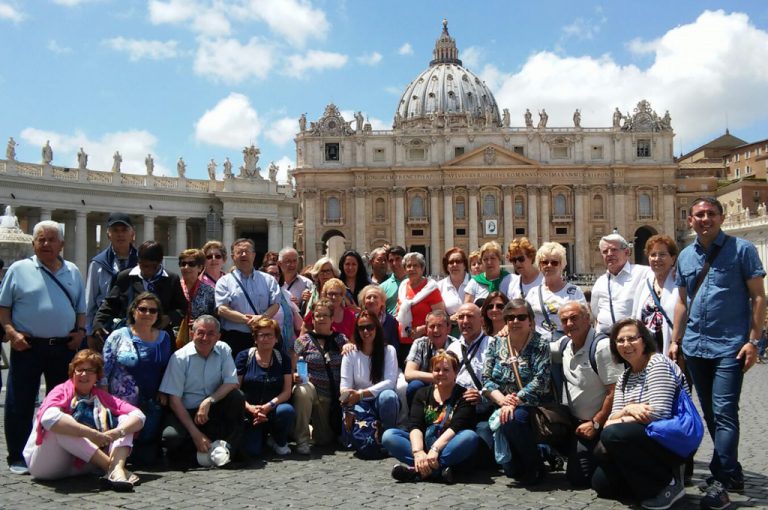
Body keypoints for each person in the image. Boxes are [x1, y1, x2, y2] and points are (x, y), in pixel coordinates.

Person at [671, 197, 765, 509]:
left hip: (730, 345)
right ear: (690, 220)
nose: (705, 219)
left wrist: (754, 341)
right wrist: (675, 340)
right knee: (710, 412)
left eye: (711, 213)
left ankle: (721, 479)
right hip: (696, 344)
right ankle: (733, 471)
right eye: (699, 215)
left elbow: (758, 298)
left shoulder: (743, 250)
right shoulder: (685, 256)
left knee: (725, 411)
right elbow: (682, 302)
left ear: (722, 217)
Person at [1, 221, 86, 474]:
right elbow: (3, 309)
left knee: (63, 403)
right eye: (41, 239)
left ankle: (59, 451)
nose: (46, 244)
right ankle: (17, 455)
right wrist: (11, 332)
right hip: (27, 346)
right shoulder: (18, 269)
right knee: (20, 402)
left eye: (51, 239)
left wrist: (80, 333)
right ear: (33, 243)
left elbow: (81, 308)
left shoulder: (72, 271)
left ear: (62, 244)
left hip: (63, 347)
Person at [592, 318, 687, 509]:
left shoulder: (657, 364)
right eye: (620, 340)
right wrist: (629, 409)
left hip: (670, 440)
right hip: (641, 436)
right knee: (601, 485)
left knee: (613, 434)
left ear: (644, 340)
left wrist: (621, 419)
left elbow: (660, 414)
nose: (626, 344)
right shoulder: (625, 376)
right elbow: (611, 418)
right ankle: (645, 484)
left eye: (632, 338)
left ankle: (669, 485)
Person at [22, 350, 145, 489]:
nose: (84, 374)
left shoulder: (102, 396)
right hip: (47, 465)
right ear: (72, 372)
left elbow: (139, 416)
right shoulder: (61, 391)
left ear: (97, 376)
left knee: (125, 419)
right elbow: (49, 418)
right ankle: (115, 469)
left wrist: (116, 433)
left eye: (90, 371)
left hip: (84, 465)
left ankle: (115, 470)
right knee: (63, 424)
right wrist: (92, 434)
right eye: (79, 370)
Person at [483, 299, 553, 485]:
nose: (515, 321)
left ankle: (535, 466)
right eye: (511, 317)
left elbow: (541, 380)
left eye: (521, 317)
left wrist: (514, 401)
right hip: (502, 403)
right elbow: (486, 378)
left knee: (512, 419)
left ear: (530, 320)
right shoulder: (496, 343)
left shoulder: (540, 344)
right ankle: (535, 453)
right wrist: (503, 401)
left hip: (531, 404)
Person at [553, 302, 623, 487]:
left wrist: (596, 422)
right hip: (577, 424)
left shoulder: (602, 347)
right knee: (577, 478)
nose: (569, 323)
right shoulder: (564, 345)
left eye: (574, 318)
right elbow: (534, 345)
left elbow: (615, 390)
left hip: (601, 424)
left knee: (595, 481)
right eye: (564, 320)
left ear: (587, 318)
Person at [383, 350, 479, 483]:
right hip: (425, 445)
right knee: (389, 436)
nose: (441, 373)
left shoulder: (464, 396)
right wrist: (418, 452)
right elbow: (415, 425)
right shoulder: (422, 394)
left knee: (470, 437)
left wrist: (435, 449)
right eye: (437, 369)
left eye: (446, 370)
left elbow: (456, 427)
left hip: (449, 446)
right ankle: (436, 471)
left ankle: (418, 472)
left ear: (455, 373)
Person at [159, 315, 245, 466]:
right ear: (192, 334)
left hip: (213, 407)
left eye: (211, 333)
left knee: (237, 397)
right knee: (170, 437)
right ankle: (202, 454)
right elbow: (174, 401)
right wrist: (195, 434)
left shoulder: (224, 349)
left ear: (218, 336)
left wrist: (209, 401)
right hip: (187, 412)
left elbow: (231, 382)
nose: (205, 338)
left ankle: (228, 450)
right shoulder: (179, 358)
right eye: (201, 332)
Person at [101, 292, 172, 465]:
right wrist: (104, 401)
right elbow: (103, 371)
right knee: (123, 442)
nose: (147, 314)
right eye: (143, 309)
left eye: (152, 311)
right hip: (121, 404)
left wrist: (164, 390)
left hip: (152, 402)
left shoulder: (165, 338)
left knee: (145, 456)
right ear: (133, 311)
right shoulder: (118, 336)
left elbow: (168, 368)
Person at [94, 240, 186, 344]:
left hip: (161, 339)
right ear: (139, 262)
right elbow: (110, 304)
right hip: (130, 338)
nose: (148, 271)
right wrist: (98, 324)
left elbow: (182, 308)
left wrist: (169, 318)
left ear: (160, 262)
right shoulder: (125, 277)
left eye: (153, 266)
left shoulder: (171, 279)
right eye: (144, 266)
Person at [292, 299, 347, 455]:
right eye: (317, 315)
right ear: (313, 318)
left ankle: (311, 429)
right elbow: (291, 367)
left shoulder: (341, 339)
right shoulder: (302, 341)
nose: (321, 319)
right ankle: (302, 440)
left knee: (324, 440)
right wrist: (295, 374)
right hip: (313, 391)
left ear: (331, 318)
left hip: (334, 397)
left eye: (325, 315)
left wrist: (350, 347)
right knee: (302, 391)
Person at [235, 318, 295, 457]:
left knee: (287, 411)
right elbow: (235, 389)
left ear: (276, 339)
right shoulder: (244, 356)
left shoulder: (283, 358)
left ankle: (278, 440)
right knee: (252, 451)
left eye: (270, 335)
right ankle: (261, 436)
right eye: (262, 335)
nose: (266, 339)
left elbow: (286, 392)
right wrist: (251, 409)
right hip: (250, 411)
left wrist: (268, 406)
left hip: (273, 408)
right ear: (255, 339)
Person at [340, 312, 400, 448]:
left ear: (377, 328)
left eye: (370, 327)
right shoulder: (350, 353)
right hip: (358, 402)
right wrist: (348, 395)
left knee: (389, 397)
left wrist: (361, 393)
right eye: (361, 328)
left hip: (378, 400)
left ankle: (388, 440)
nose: (366, 331)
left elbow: (390, 382)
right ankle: (362, 440)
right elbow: (344, 386)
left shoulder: (389, 351)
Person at [215, 238, 280, 356]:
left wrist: (262, 317)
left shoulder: (268, 280)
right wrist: (247, 319)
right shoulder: (224, 281)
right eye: (239, 252)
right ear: (233, 256)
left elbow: (276, 304)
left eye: (247, 251)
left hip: (262, 337)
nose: (243, 255)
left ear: (254, 255)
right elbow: (222, 309)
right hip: (235, 338)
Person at [85, 212, 138, 351]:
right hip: (104, 329)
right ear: (108, 234)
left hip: (136, 328)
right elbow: (90, 301)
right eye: (115, 230)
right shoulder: (98, 264)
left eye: (124, 230)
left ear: (132, 234)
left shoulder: (142, 262)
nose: (120, 234)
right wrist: (90, 332)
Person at [591, 233, 651, 335]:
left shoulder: (644, 273)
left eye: (614, 250)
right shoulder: (600, 282)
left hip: (634, 337)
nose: (609, 254)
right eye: (605, 252)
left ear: (627, 252)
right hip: (606, 339)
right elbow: (595, 311)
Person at [525, 242, 586, 340]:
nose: (549, 265)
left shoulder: (574, 291)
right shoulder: (533, 293)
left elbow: (584, 320)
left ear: (562, 265)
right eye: (544, 262)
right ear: (539, 266)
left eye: (554, 262)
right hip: (540, 346)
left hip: (567, 344)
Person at [632, 235, 679, 355]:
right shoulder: (644, 284)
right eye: (653, 255)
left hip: (673, 349)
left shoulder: (680, 283)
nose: (657, 259)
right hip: (647, 351)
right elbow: (635, 317)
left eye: (662, 255)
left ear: (673, 258)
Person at [397, 252, 445, 366]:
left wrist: (423, 329)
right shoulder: (403, 287)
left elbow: (441, 316)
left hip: (424, 342)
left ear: (422, 268)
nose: (412, 269)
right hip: (402, 341)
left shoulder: (431, 289)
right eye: (408, 266)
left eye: (416, 265)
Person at [404, 310, 456, 405]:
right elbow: (408, 374)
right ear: (426, 330)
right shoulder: (420, 343)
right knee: (414, 386)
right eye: (432, 326)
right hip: (426, 387)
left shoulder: (456, 345)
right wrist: (438, 377)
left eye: (440, 326)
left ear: (448, 328)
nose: (436, 330)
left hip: (449, 386)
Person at [261, 261, 303, 357]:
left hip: (288, 346)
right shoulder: (258, 294)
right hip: (267, 344)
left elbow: (299, 324)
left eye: (277, 274)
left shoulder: (286, 294)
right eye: (271, 274)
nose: (274, 277)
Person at [178, 249, 216, 339]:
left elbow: (215, 318)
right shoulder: (174, 287)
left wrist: (201, 322)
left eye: (191, 264)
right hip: (176, 339)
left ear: (200, 268)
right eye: (183, 264)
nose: (186, 267)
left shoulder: (209, 291)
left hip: (201, 338)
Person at [437, 247, 470, 335]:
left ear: (464, 264)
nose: (454, 264)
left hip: (473, 332)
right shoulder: (439, 286)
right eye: (451, 262)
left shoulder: (475, 283)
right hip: (450, 334)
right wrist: (448, 319)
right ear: (446, 266)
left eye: (458, 261)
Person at [358, 284, 400, 352]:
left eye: (375, 297)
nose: (372, 300)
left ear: (382, 302)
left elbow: (394, 345)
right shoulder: (357, 319)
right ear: (364, 302)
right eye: (368, 297)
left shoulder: (390, 320)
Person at [380, 245, 407, 315]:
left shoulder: (417, 281)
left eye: (398, 259)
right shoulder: (382, 287)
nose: (394, 263)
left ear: (405, 260)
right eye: (391, 261)